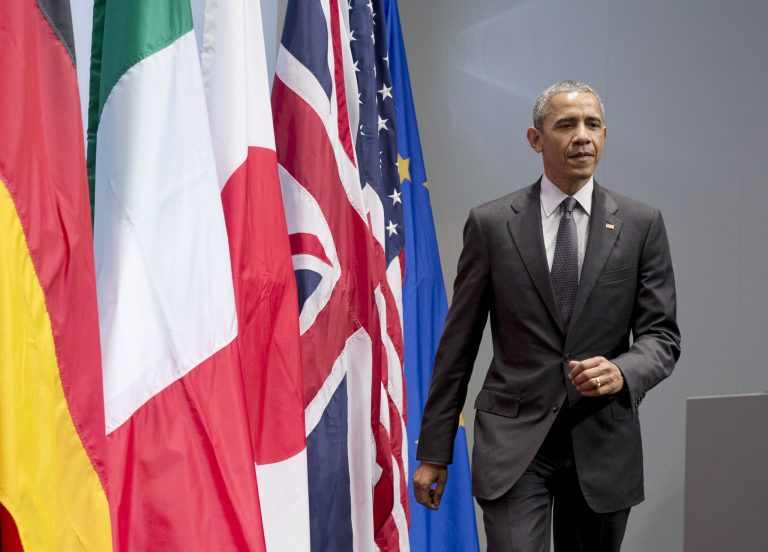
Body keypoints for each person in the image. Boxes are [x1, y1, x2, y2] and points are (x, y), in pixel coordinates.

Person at [412, 81, 681, 551]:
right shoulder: (492, 224)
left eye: (592, 124)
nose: (582, 136)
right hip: (513, 443)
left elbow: (661, 337)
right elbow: (458, 345)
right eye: (567, 125)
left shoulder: (642, 225)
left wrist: (621, 370)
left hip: (601, 443)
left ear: (604, 134)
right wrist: (435, 451)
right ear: (536, 139)